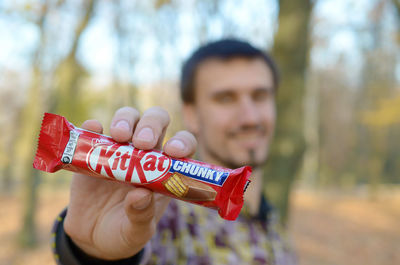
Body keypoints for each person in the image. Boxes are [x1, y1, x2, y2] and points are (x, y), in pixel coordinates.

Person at [51, 39, 297, 264]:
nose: (250, 118)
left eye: (260, 96)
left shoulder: (275, 225)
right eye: (226, 98)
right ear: (191, 114)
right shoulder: (163, 218)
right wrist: (93, 255)